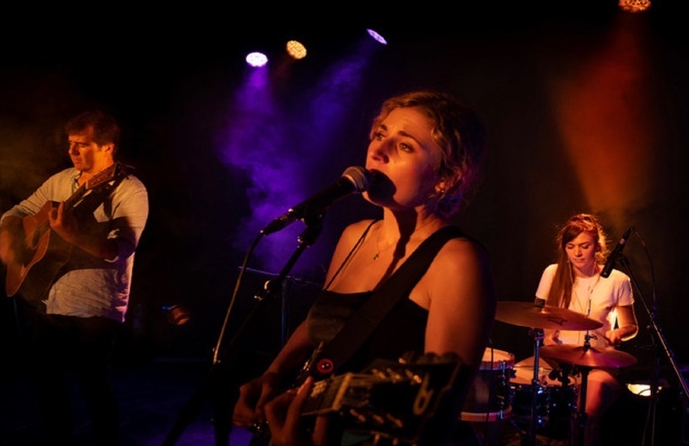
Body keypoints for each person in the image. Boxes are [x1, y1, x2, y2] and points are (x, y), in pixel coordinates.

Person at [232, 89, 497, 445]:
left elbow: (435, 415)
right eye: (379, 135)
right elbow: (324, 323)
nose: (377, 151)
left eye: (405, 146)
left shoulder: (457, 260)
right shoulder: (354, 235)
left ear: (445, 178)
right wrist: (273, 374)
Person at [0, 109, 149, 445]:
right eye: (70, 144)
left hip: (97, 305)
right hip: (52, 298)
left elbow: (121, 248)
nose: (72, 151)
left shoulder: (130, 190)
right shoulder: (62, 180)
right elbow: (17, 212)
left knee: (93, 385)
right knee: (44, 381)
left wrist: (73, 235)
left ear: (107, 147)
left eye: (82, 144)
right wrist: (8, 237)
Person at [534, 213, 638, 446]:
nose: (577, 253)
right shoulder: (552, 273)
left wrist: (619, 333)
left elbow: (632, 326)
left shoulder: (617, 280)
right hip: (557, 361)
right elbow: (534, 315)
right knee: (512, 381)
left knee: (586, 415)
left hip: (598, 364)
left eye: (584, 246)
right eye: (570, 246)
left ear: (597, 246)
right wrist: (546, 332)